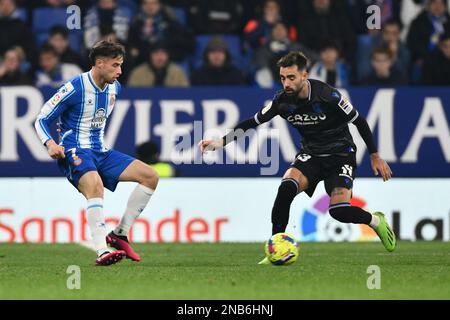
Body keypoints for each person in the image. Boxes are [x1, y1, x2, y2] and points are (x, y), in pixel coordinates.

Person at [198, 51, 396, 264]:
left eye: (291, 77)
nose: (286, 83)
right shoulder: (282, 102)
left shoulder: (328, 96)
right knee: (285, 188)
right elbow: (251, 122)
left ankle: (376, 221)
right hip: (311, 154)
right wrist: (221, 142)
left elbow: (360, 121)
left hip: (341, 156)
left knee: (339, 211)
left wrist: (375, 155)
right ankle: (276, 248)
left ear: (304, 75)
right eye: (282, 78)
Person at [34, 40, 159, 266]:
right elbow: (42, 118)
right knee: (95, 186)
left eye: (121, 65)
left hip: (101, 151)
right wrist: (50, 144)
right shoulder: (75, 87)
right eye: (115, 65)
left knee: (150, 176)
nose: (120, 72)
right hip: (75, 149)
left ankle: (120, 233)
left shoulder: (114, 88)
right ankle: (102, 251)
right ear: (99, 63)